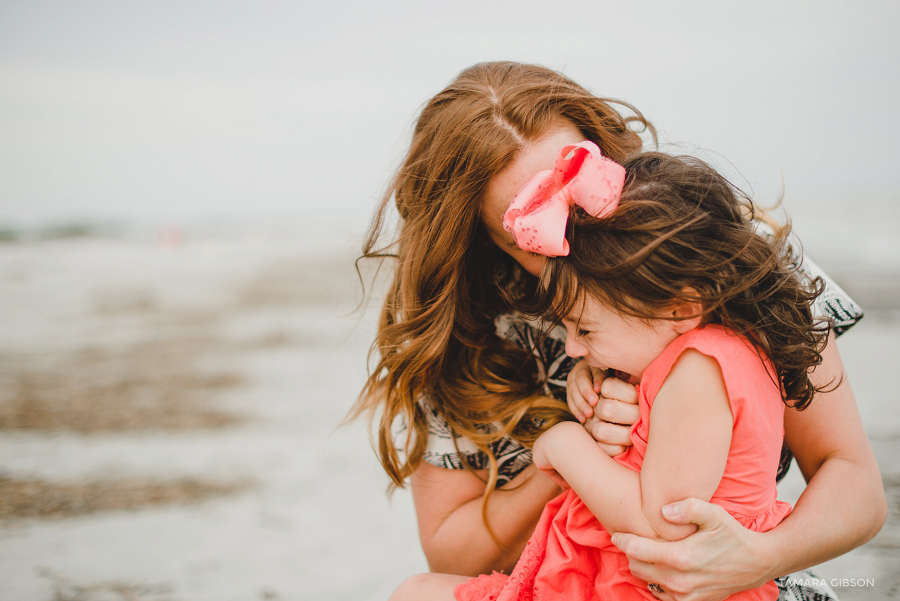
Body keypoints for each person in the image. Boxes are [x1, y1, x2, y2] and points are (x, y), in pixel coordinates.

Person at [352, 62, 885, 601]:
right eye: (538, 234)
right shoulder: (469, 328)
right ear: (483, 242)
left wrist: (756, 559)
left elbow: (857, 488)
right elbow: (453, 554)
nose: (577, 242)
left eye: (578, 204)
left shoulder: (731, 257)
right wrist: (576, 452)